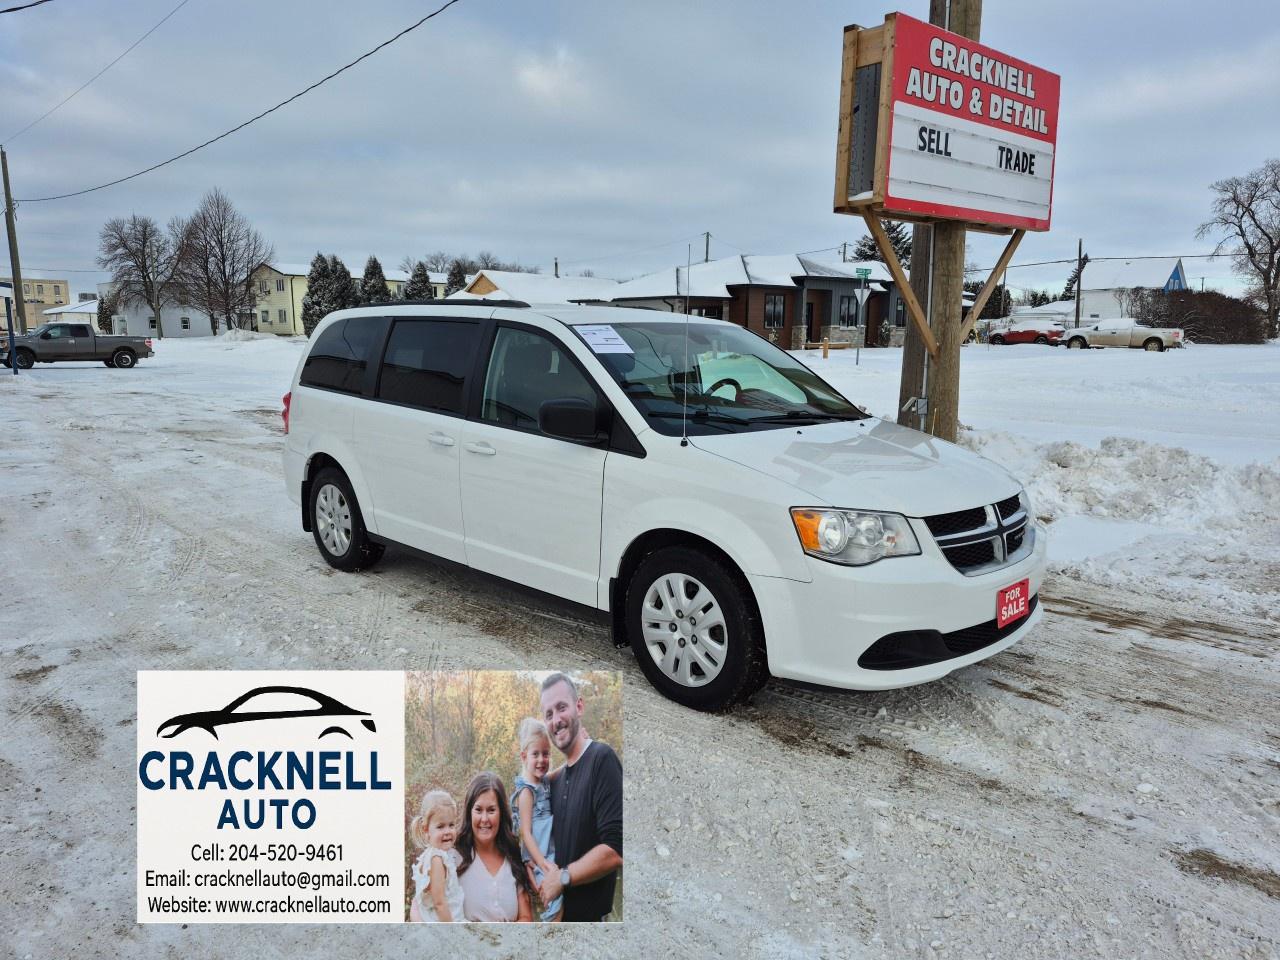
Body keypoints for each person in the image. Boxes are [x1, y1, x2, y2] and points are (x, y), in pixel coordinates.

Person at [537, 672, 623, 922]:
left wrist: (562, 878)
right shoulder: (558, 779)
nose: (556, 720)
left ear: (579, 706)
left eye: (561, 708)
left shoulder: (601, 759)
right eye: (549, 714)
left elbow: (616, 849)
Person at [455, 771, 533, 922]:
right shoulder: (454, 857)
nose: (484, 819)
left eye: (491, 810)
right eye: (478, 810)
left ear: (501, 813)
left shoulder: (514, 856)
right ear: (469, 812)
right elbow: (420, 907)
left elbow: (526, 918)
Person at [510, 718, 563, 922]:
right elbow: (526, 832)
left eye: (546, 753)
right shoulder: (526, 792)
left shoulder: (543, 781)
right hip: (539, 854)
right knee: (553, 899)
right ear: (524, 756)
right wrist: (541, 863)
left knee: (557, 896)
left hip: (549, 852)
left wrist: (577, 755)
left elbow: (559, 772)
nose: (542, 759)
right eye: (536, 754)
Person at [407, 789, 465, 922]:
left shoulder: (437, 855)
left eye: (451, 825)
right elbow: (439, 904)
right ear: (426, 829)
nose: (447, 831)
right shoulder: (436, 859)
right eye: (440, 826)